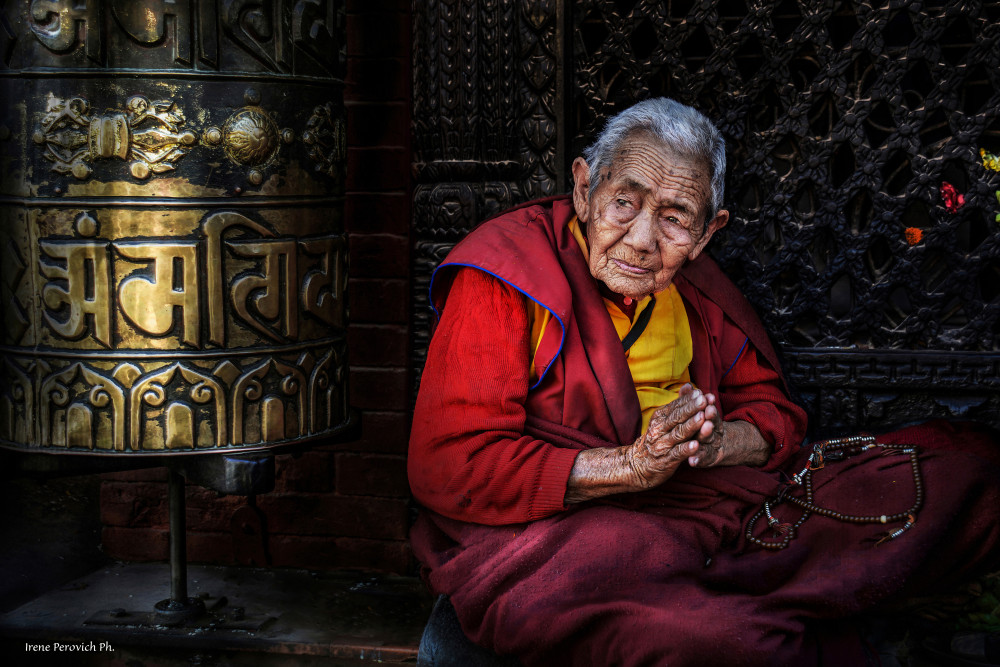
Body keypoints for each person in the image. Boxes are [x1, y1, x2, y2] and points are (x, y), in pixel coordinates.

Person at [407, 98, 1000, 666]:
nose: (642, 241)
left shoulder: (694, 289)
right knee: (705, 634)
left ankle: (743, 592)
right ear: (585, 189)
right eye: (624, 204)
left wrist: (718, 442)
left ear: (708, 231)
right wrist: (629, 467)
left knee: (961, 485)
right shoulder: (509, 275)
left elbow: (774, 415)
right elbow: (448, 463)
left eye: (673, 219)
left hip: (711, 503)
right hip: (574, 533)